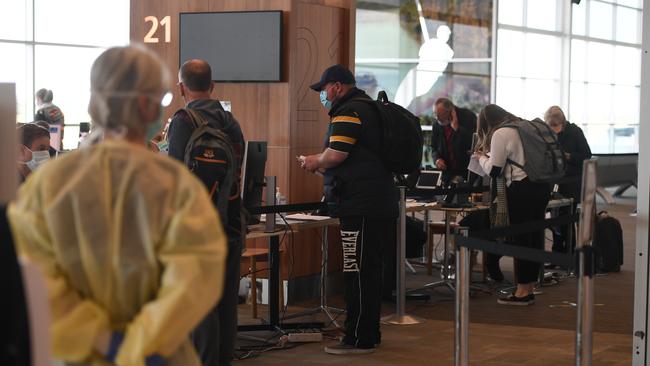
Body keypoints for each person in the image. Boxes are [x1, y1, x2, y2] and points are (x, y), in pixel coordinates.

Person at [8, 45, 227, 366]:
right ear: (146, 107)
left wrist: (105, 342)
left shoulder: (48, 185)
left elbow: (35, 282)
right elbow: (196, 281)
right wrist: (143, 343)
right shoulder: (178, 188)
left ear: (94, 102)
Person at [300, 64, 397, 354]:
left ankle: (359, 336)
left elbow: (337, 153)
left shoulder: (349, 112)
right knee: (368, 269)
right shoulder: (370, 108)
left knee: (358, 270)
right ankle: (368, 332)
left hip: (361, 205)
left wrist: (313, 161)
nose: (323, 95)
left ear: (338, 86)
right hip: (374, 201)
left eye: (324, 89)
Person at [166, 59, 244, 366]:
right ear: (212, 86)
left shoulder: (183, 121)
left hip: (195, 228)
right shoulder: (230, 121)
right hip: (231, 222)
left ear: (181, 87)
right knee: (226, 300)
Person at [474, 104, 550, 306]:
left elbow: (494, 170)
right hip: (542, 186)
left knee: (523, 238)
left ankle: (522, 291)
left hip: (521, 188)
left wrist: (481, 158)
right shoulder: (523, 126)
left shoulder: (501, 133)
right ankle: (530, 285)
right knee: (534, 236)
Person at [544, 106, 592, 254]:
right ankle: (557, 252)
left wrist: (569, 156)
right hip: (555, 180)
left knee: (567, 219)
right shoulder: (547, 133)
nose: (554, 130)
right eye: (550, 127)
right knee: (555, 217)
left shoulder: (575, 132)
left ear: (563, 122)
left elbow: (587, 155)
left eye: (556, 127)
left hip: (572, 181)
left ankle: (569, 254)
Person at [431, 98, 475, 184]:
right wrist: (437, 159)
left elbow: (474, 143)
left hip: (467, 173)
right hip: (447, 175)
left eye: (441, 115)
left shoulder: (468, 117)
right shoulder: (437, 123)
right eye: (436, 115)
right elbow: (433, 147)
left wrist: (457, 128)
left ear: (451, 111)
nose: (438, 119)